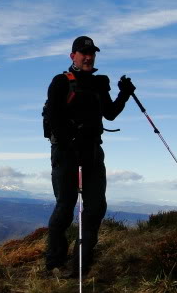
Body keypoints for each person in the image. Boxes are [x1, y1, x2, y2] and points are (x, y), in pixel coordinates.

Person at [43, 35, 135, 277]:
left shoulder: (98, 83)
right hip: (66, 153)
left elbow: (110, 114)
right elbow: (53, 118)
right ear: (73, 56)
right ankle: (54, 262)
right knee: (65, 206)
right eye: (83, 53)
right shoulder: (61, 82)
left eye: (92, 53)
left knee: (95, 207)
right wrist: (69, 142)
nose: (88, 56)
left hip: (93, 152)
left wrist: (124, 94)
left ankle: (81, 263)